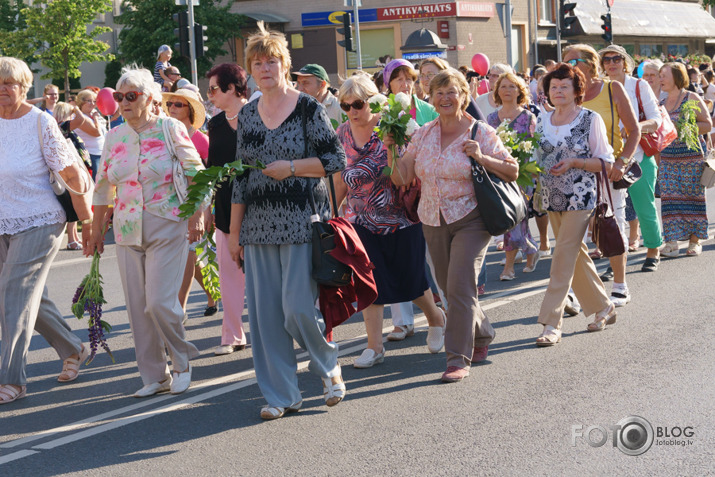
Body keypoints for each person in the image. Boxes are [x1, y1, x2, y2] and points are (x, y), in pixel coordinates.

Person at [228, 22, 347, 419]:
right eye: (257, 62)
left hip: (302, 219)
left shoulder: (308, 108)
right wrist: (233, 233)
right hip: (258, 226)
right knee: (264, 319)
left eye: (272, 61)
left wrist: (293, 167)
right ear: (250, 69)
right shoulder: (246, 115)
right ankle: (281, 395)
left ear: (284, 65)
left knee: (297, 308)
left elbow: (335, 161)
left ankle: (328, 365)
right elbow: (242, 177)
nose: (265, 68)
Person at [387, 69, 518, 382]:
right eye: (439, 93)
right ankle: (482, 332)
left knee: (459, 286)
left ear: (464, 96)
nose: (445, 98)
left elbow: (512, 170)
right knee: (449, 288)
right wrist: (392, 149)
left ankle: (457, 358)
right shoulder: (423, 133)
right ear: (431, 98)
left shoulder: (480, 132)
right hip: (432, 218)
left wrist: (482, 157)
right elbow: (401, 177)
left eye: (451, 92)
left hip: (471, 217)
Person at [86, 67, 207, 398]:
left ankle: (181, 362)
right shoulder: (114, 136)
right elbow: (102, 189)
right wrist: (97, 230)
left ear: (151, 99)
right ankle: (155, 375)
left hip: (167, 222)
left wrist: (196, 216)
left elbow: (198, 176)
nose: (123, 102)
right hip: (126, 228)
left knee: (158, 302)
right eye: (119, 96)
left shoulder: (170, 128)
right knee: (138, 308)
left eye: (132, 96)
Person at [332, 74, 446, 368]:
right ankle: (375, 346)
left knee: (409, 280)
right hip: (359, 219)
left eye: (358, 104)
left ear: (372, 101)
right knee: (370, 282)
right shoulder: (342, 134)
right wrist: (333, 215)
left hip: (401, 216)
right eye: (346, 106)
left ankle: (436, 317)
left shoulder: (394, 126)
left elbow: (408, 171)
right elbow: (339, 179)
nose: (352, 111)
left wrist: (393, 146)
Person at [0, 57, 90, 404]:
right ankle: (72, 347)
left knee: (13, 294)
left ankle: (12, 378)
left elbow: (73, 174)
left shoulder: (40, 122)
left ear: (25, 87)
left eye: (11, 83)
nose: (4, 89)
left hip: (40, 219)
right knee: (20, 297)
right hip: (3, 223)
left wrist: (86, 223)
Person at [533, 63, 617, 346]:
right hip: (550, 196)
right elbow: (534, 156)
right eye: (553, 87)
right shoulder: (542, 119)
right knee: (574, 254)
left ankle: (550, 323)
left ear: (576, 90)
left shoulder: (590, 119)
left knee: (562, 256)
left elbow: (605, 161)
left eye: (563, 86)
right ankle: (604, 306)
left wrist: (575, 162)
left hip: (580, 197)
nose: (557, 91)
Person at [563, 44, 640, 308]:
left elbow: (634, 131)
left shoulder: (611, 89)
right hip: (571, 174)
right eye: (565, 62)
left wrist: (622, 161)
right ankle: (575, 291)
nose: (569, 67)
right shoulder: (563, 92)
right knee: (574, 235)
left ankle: (620, 285)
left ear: (590, 63)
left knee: (612, 228)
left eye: (574, 61)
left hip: (606, 173)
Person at [599, 45, 664, 272]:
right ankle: (616, 259)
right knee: (613, 214)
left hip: (637, 156)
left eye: (616, 58)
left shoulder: (639, 85)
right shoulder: (599, 88)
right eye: (606, 60)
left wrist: (636, 127)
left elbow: (656, 119)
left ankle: (653, 249)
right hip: (608, 159)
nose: (611, 63)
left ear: (625, 62)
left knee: (644, 208)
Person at [204, 63, 249, 356]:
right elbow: (213, 169)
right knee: (228, 274)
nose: (209, 95)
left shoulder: (259, 116)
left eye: (213, 89)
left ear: (232, 88)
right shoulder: (215, 124)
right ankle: (232, 334)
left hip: (258, 207)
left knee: (261, 278)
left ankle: (271, 331)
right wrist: (207, 208)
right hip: (223, 207)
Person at [162, 87, 217, 318]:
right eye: (170, 104)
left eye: (178, 105)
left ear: (190, 110)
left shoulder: (200, 140)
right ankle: (214, 295)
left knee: (188, 256)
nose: (172, 108)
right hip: (171, 206)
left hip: (195, 206)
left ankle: (179, 309)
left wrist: (206, 212)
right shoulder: (163, 135)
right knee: (192, 261)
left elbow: (210, 179)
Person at [485, 72, 540, 280]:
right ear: (497, 91)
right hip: (499, 174)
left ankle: (508, 267)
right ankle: (531, 250)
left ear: (520, 91)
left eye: (512, 86)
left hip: (523, 175)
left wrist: (535, 175)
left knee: (516, 218)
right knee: (513, 218)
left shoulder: (528, 117)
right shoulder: (491, 118)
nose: (507, 90)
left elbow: (535, 147)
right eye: (503, 86)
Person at [658, 62, 711, 257]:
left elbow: (707, 124)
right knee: (669, 201)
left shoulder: (691, 97)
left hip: (691, 159)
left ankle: (695, 241)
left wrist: (684, 129)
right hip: (668, 159)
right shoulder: (661, 103)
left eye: (664, 75)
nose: (660, 79)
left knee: (693, 199)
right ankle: (671, 243)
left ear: (677, 77)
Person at [420, 56, 486, 121]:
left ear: (444, 75)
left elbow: (481, 125)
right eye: (422, 75)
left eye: (430, 74)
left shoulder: (460, 98)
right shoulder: (421, 105)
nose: (425, 79)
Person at [74, 89, 107, 180]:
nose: (92, 104)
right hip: (91, 155)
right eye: (89, 101)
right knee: (95, 183)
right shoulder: (81, 117)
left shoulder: (92, 115)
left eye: (94, 101)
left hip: (100, 153)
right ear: (81, 102)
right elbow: (97, 133)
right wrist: (96, 118)